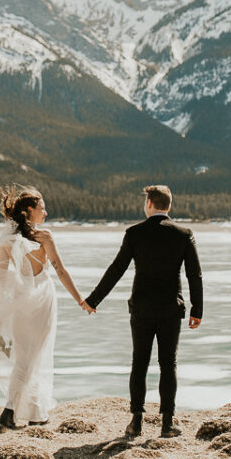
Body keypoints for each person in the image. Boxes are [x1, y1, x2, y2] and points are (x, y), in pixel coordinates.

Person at [84, 184, 202, 438]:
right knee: (168, 364)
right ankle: (167, 423)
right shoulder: (184, 234)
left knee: (139, 363)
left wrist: (94, 300)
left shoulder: (135, 233)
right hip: (171, 308)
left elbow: (116, 270)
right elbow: (195, 275)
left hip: (142, 308)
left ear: (149, 204)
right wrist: (197, 310)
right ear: (168, 206)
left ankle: (136, 422)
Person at [0, 185, 93, 429]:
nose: (46, 212)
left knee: (26, 356)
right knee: (33, 355)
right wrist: (80, 299)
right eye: (42, 208)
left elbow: (2, 279)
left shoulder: (6, 241)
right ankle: (9, 410)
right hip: (43, 300)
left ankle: (36, 411)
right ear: (29, 211)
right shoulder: (44, 237)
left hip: (19, 301)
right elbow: (60, 270)